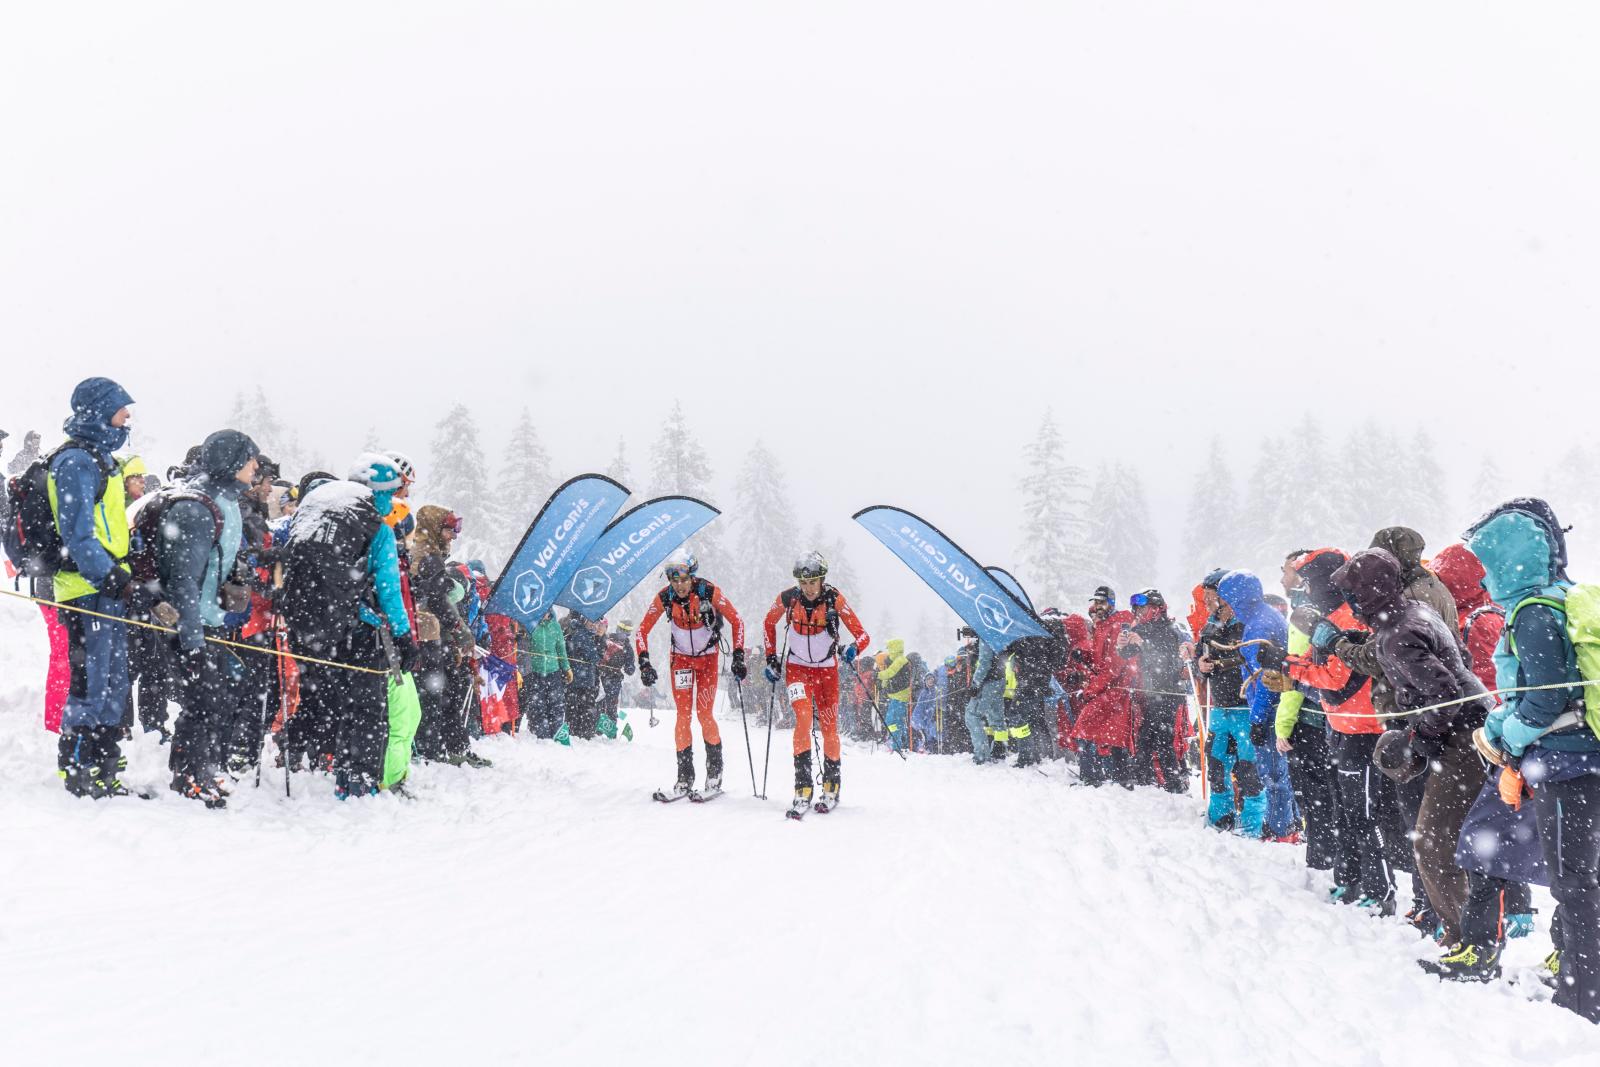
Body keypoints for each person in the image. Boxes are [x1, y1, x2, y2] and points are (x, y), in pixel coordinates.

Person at [1468, 500, 1600, 1018]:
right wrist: (1503, 724)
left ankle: (1582, 997)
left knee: (1575, 883)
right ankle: (1581, 980)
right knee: (1585, 878)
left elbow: (1545, 699)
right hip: (1583, 758)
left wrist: (1508, 741)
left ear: (1507, 559)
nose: (1484, 575)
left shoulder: (1532, 613)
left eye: (1488, 563)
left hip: (1566, 764)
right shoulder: (1565, 598)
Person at [1332, 547, 1490, 940]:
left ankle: (1466, 937)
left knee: (1434, 843)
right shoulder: (1414, 614)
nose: (1349, 603)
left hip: (1459, 738)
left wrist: (1419, 736)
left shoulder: (1398, 633)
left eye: (1353, 594)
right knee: (1446, 840)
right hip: (1468, 728)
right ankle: (1469, 931)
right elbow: (1459, 663)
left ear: (1368, 594)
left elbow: (1444, 690)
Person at [279, 455, 417, 798]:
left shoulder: (313, 514)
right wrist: (403, 636)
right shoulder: (377, 529)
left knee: (336, 704)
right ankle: (359, 781)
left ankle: (334, 771)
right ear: (380, 492)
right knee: (368, 709)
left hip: (311, 628)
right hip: (360, 630)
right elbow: (389, 590)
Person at [147, 430, 260, 806]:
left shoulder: (226, 501)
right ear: (231, 462)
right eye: (250, 459)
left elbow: (217, 563)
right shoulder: (195, 508)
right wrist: (192, 641)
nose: (256, 467)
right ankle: (190, 776)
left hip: (208, 619)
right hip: (187, 623)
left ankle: (203, 769)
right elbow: (183, 581)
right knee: (205, 699)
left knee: (219, 697)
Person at [48, 378, 138, 798]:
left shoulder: (101, 459)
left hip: (104, 585)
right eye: (122, 410)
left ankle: (104, 764)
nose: (127, 418)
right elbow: (78, 533)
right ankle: (80, 766)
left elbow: (109, 525)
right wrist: (110, 575)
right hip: (84, 588)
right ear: (101, 411)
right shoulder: (77, 462)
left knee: (113, 680)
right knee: (92, 680)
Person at [761, 551, 870, 814]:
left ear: (822, 579)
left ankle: (831, 786)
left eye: (813, 582)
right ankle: (803, 788)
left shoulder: (835, 599)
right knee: (803, 720)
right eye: (804, 583)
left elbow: (863, 635)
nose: (808, 589)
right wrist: (771, 657)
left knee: (830, 728)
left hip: (826, 672)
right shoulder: (788, 598)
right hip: (797, 669)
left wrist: (853, 649)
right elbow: (768, 623)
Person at [637, 548, 745, 799]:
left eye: (684, 579)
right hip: (681, 661)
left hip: (707, 660)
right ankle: (684, 777)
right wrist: (644, 663)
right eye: (675, 580)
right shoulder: (665, 598)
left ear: (692, 576)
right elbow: (641, 630)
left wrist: (738, 655)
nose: (680, 585)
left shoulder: (708, 591)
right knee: (683, 716)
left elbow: (737, 620)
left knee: (704, 714)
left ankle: (715, 772)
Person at [1217, 571, 1290, 837]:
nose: (1223, 605)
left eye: (1225, 600)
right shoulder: (1263, 616)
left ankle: (1280, 829)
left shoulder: (1260, 625)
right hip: (1274, 706)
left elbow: (1265, 680)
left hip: (1269, 709)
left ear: (1237, 598)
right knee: (1276, 773)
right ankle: (1281, 824)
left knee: (1272, 773)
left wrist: (1258, 719)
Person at [1196, 572, 1261, 831]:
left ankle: (1253, 823)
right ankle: (1221, 817)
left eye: (1209, 595)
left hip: (1245, 708)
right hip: (1221, 710)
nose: (1205, 601)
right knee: (1216, 764)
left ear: (1224, 596)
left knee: (1248, 770)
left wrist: (1223, 663)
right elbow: (1201, 661)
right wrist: (1200, 665)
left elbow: (1254, 660)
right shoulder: (1209, 627)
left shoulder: (1246, 624)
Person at [1117, 589, 1189, 791]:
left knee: (1163, 737)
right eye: (1137, 609)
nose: (1139, 612)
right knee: (1147, 735)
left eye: (1143, 608)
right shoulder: (1142, 628)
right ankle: (1143, 777)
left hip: (1169, 692)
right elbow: (1128, 653)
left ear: (1157, 609)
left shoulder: (1171, 629)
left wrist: (1143, 644)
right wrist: (1121, 646)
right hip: (1150, 692)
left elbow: (1166, 662)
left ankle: (1172, 783)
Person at [1071, 587, 1136, 787]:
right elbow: (1101, 659)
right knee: (1110, 734)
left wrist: (1091, 691)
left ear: (1111, 603)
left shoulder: (1117, 626)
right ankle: (1118, 777)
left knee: (1085, 728)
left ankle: (1092, 776)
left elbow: (1114, 666)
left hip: (1115, 690)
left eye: (1102, 602)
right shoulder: (1103, 625)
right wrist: (1085, 657)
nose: (1097, 607)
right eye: (1095, 602)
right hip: (1108, 688)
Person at [517, 610, 571, 738]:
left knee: (556, 705)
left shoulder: (555, 626)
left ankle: (556, 733)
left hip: (554, 672)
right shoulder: (530, 625)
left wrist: (566, 668)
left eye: (547, 611)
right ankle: (541, 734)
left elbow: (561, 649)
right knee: (537, 705)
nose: (544, 614)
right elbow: (524, 647)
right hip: (535, 672)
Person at [877, 639, 913, 754]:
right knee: (897, 722)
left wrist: (877, 675)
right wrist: (883, 684)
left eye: (890, 648)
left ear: (894, 648)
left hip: (900, 696)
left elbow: (890, 672)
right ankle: (899, 743)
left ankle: (897, 744)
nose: (888, 651)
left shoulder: (900, 659)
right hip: (895, 695)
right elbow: (889, 675)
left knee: (891, 721)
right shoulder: (895, 660)